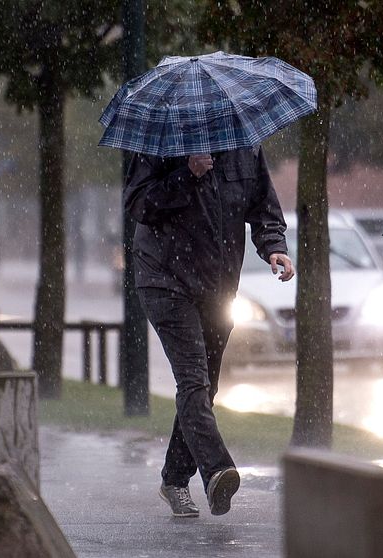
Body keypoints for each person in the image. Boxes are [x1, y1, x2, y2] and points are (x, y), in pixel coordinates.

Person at [124, 147, 294, 518]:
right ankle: (217, 471)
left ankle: (173, 480)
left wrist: (274, 248)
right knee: (193, 382)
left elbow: (263, 204)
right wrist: (187, 173)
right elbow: (138, 204)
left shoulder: (245, 146)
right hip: (165, 279)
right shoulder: (162, 141)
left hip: (217, 286)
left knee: (204, 387)